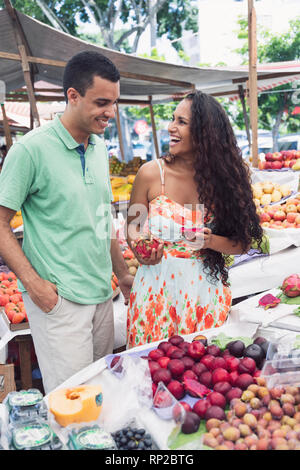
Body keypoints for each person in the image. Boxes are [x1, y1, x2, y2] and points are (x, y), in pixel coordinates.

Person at [0, 51, 133, 393]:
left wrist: (122, 275)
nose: (110, 112)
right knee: (70, 402)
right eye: (102, 102)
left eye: (114, 102)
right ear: (72, 96)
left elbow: (103, 217)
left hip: (103, 297)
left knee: (100, 395)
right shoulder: (30, 150)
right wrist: (37, 286)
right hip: (61, 302)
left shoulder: (100, 148)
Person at [126, 90, 264, 349]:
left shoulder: (226, 180)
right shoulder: (151, 173)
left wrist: (210, 241)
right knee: (151, 371)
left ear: (205, 133)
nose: (171, 128)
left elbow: (242, 243)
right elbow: (132, 226)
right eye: (172, 119)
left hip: (204, 295)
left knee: (203, 373)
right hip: (155, 293)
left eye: (182, 122)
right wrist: (140, 246)